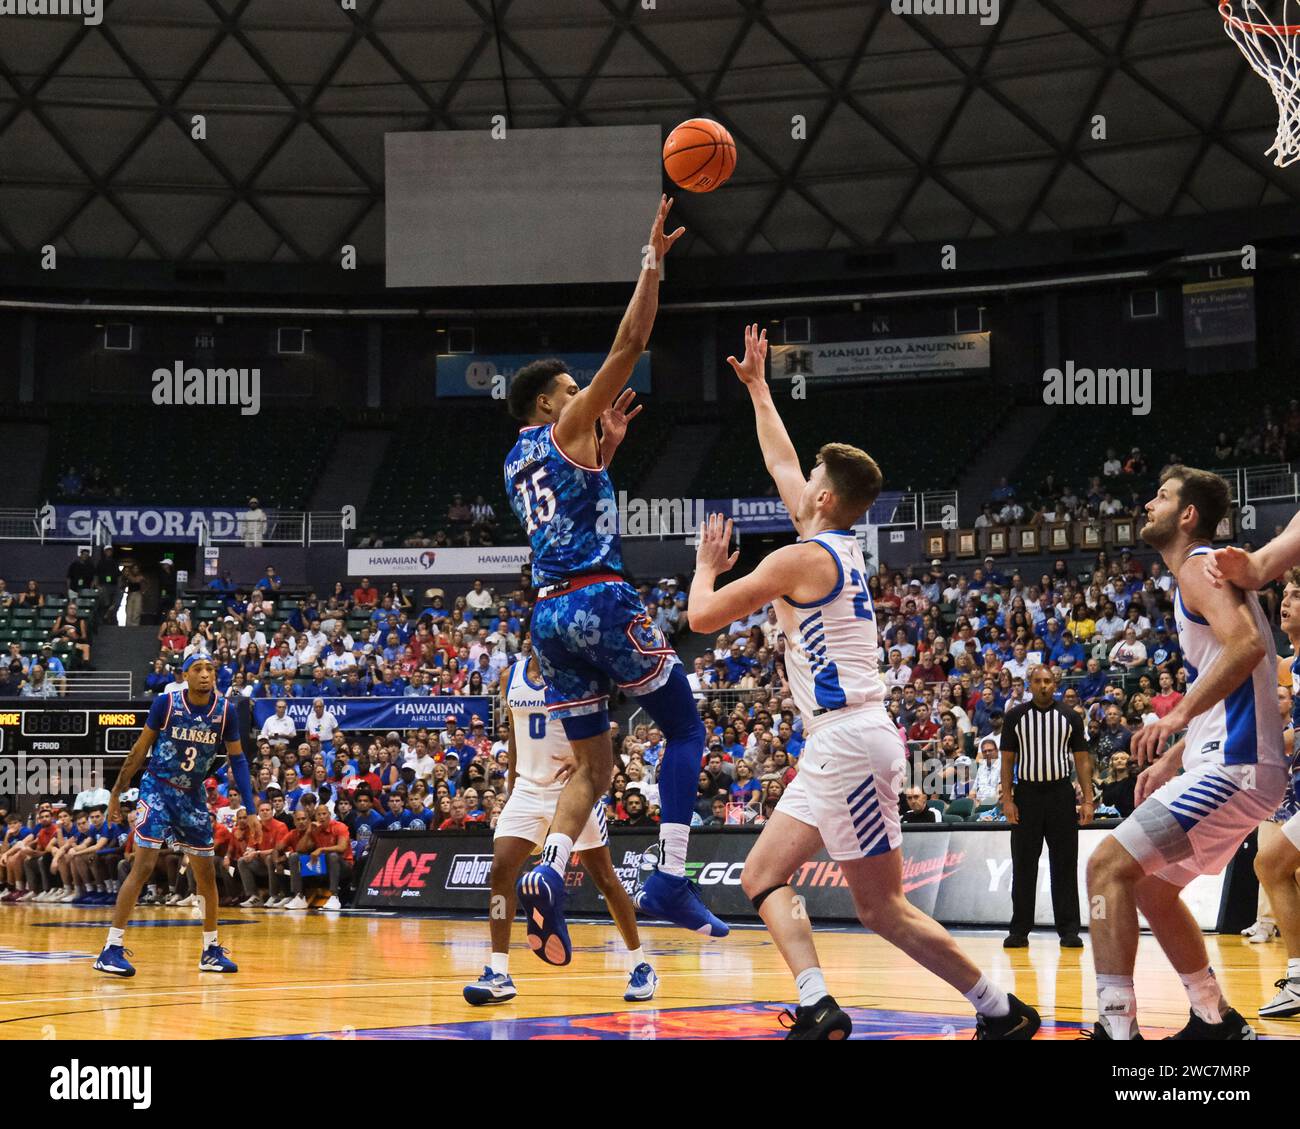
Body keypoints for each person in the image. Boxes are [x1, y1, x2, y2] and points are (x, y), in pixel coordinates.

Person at [685, 324, 1037, 1040]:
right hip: (835, 743)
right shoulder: (832, 543)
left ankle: (1001, 1010)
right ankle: (818, 1005)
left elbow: (700, 616)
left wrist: (705, 566)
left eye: (811, 478)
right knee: (760, 875)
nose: (800, 482)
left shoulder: (798, 560)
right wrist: (757, 388)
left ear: (823, 497)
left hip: (849, 740)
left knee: (881, 908)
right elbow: (783, 461)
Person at [504, 196, 726, 969]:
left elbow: (573, 506)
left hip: (548, 618)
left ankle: (549, 867)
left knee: (595, 768)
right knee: (686, 727)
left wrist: (608, 455)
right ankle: (670, 877)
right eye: (572, 390)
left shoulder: (516, 460)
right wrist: (651, 262)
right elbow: (631, 343)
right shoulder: (564, 425)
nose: (582, 398)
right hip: (598, 597)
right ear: (547, 403)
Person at [1086, 467, 1288, 1040]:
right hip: (1229, 762)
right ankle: (1214, 1018)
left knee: (1105, 867)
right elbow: (1229, 677)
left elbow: (1248, 648)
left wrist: (1175, 714)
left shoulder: (1200, 565)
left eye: (1162, 496)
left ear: (1188, 514)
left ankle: (1117, 1030)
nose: (1149, 504)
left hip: (1237, 767)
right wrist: (1175, 754)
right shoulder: (1199, 573)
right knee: (1151, 887)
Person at [464, 650, 656, 1004]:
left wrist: (585, 759)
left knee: (605, 878)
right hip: (526, 790)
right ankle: (498, 972)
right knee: (500, 871)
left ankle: (640, 964)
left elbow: (599, 726)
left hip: (572, 790)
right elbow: (515, 737)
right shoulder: (510, 677)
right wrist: (511, 787)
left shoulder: (573, 674)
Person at [94, 654, 253, 977]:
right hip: (158, 788)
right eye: (198, 669)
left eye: (210, 669)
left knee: (206, 874)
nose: (205, 674)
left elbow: (238, 760)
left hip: (192, 795)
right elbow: (139, 750)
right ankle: (110, 948)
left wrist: (250, 808)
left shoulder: (226, 711)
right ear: (185, 675)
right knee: (143, 866)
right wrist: (116, 793)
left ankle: (210, 950)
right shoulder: (166, 704)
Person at [999, 665, 1092, 949]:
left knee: (1064, 864)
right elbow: (1007, 760)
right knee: (1023, 864)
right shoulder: (1015, 716)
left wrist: (1088, 800)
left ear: (1055, 684)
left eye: (1048, 681)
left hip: (1060, 795)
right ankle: (1019, 930)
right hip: (1026, 795)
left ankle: (1069, 930)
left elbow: (1082, 760)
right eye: (1038, 681)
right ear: (1030, 684)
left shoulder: (1070, 716)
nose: (1043, 685)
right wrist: (1007, 799)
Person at [1248, 570, 1300, 1016]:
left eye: (1297, 596)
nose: (1286, 602)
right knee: (1271, 862)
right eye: (1285, 594)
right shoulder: (1290, 667)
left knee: (1271, 862)